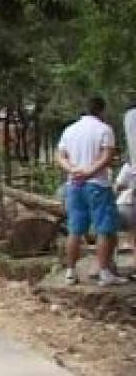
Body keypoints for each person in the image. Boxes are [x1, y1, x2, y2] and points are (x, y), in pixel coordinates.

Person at [56, 96, 125, 286]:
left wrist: (72, 170)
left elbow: (60, 155)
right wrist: (90, 171)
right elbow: (107, 156)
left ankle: (70, 272)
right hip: (98, 184)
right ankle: (104, 272)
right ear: (102, 111)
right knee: (104, 229)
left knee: (75, 229)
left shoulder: (70, 130)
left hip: (74, 185)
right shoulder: (104, 129)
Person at [115, 161, 136, 259]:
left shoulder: (130, 165)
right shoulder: (130, 165)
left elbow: (117, 187)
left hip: (124, 204)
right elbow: (117, 187)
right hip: (128, 204)